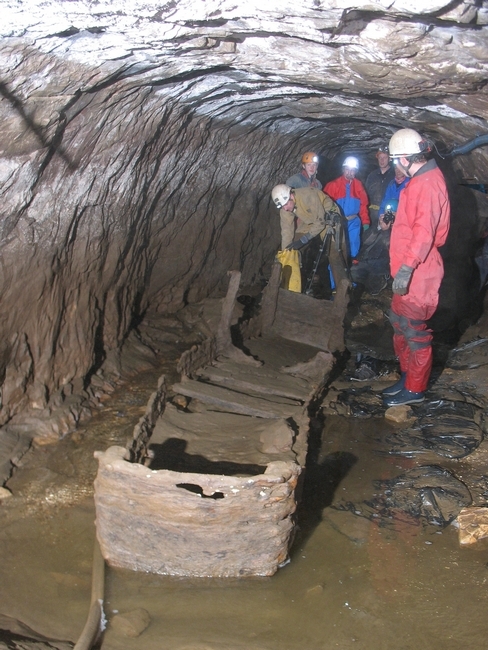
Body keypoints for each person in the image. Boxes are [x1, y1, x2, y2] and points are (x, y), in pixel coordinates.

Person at [381, 128, 450, 407]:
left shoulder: (428, 183)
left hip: (420, 271)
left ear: (408, 158)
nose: (396, 165)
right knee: (399, 323)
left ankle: (415, 389)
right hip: (407, 267)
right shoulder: (419, 179)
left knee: (414, 331)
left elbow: (424, 233)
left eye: (397, 160)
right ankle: (406, 377)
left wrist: (408, 268)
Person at [271, 184, 340, 296]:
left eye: (286, 204)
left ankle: (341, 290)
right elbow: (286, 231)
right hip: (309, 220)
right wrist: (286, 254)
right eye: (282, 207)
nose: (285, 208)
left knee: (334, 253)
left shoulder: (308, 195)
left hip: (328, 218)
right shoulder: (285, 208)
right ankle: (295, 283)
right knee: (293, 247)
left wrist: (304, 239)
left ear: (291, 196)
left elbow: (320, 222)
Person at [350, 166, 410, 296]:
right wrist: (382, 221)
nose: (398, 171)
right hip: (386, 227)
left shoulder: (410, 184)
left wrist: (389, 228)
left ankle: (383, 279)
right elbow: (385, 202)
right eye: (397, 168)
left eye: (401, 168)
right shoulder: (392, 184)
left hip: (386, 260)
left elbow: (391, 249)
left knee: (378, 269)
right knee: (357, 269)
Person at [323, 156, 370, 261]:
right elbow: (324, 206)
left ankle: (353, 271)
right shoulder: (333, 185)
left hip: (353, 222)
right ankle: (336, 275)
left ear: (356, 171)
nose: (350, 172)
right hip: (338, 223)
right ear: (343, 169)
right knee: (337, 251)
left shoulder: (358, 185)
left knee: (354, 249)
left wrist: (365, 222)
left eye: (352, 170)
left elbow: (363, 205)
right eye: (347, 169)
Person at [365, 145, 395, 229]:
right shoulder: (372, 176)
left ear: (389, 159)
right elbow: (365, 195)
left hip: (388, 213)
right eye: (380, 158)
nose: (382, 160)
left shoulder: (394, 175)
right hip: (372, 214)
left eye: (385, 157)